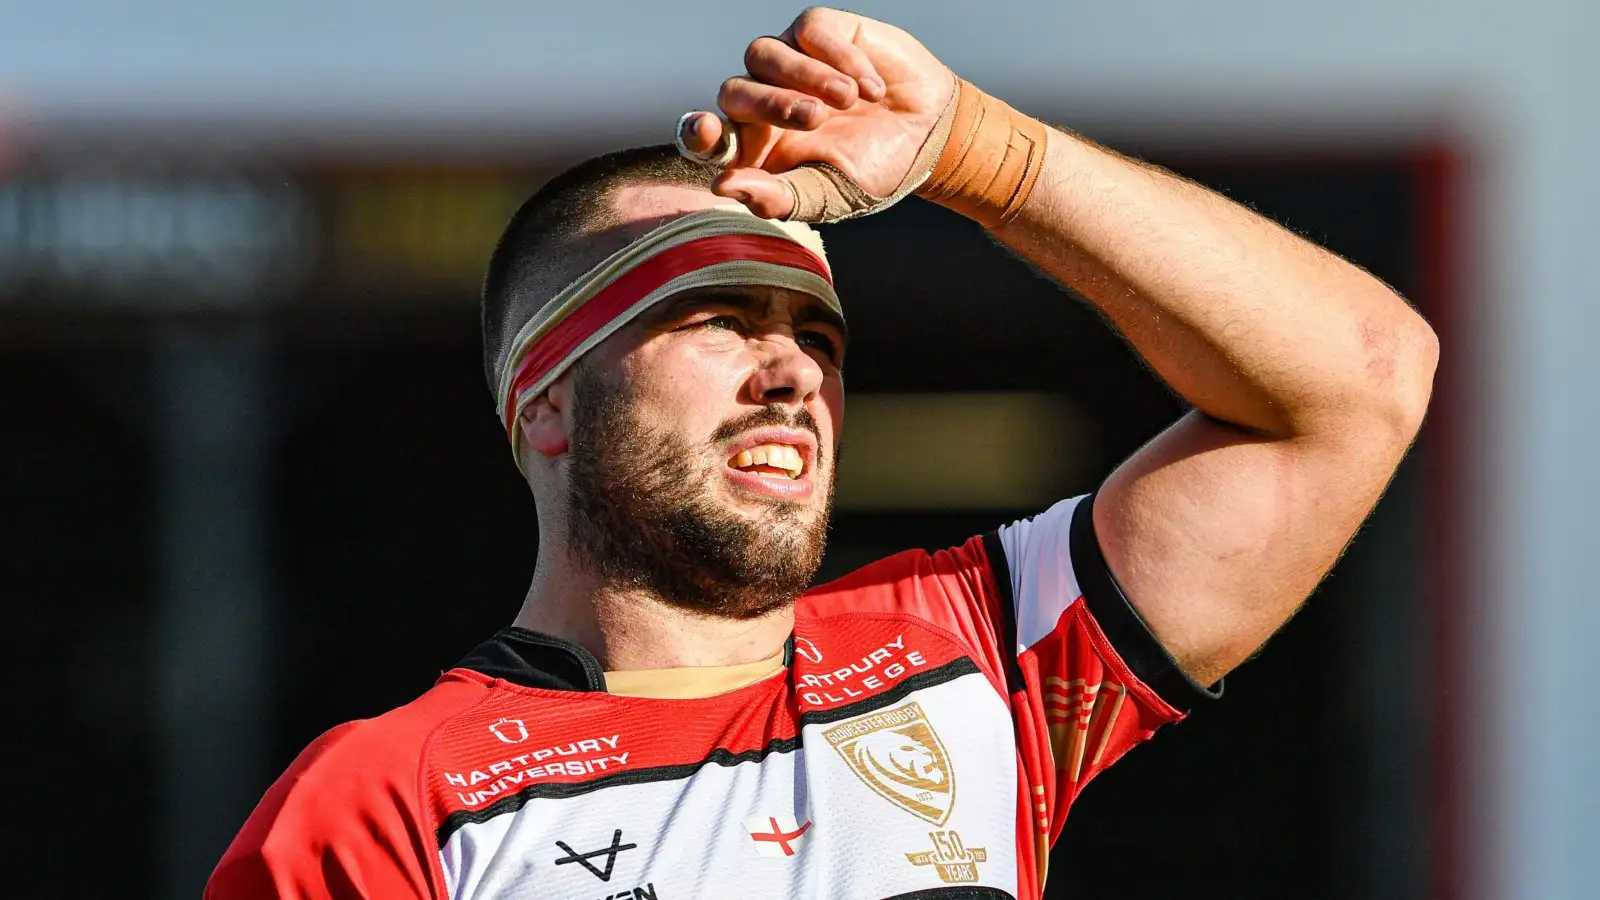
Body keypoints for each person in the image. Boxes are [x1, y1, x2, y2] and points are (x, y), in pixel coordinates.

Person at [206, 8, 1437, 899]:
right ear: (546, 408)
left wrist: (977, 151)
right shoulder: (381, 801)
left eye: (814, 336)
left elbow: (1357, 383)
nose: (791, 370)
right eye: (717, 321)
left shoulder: (971, 645)